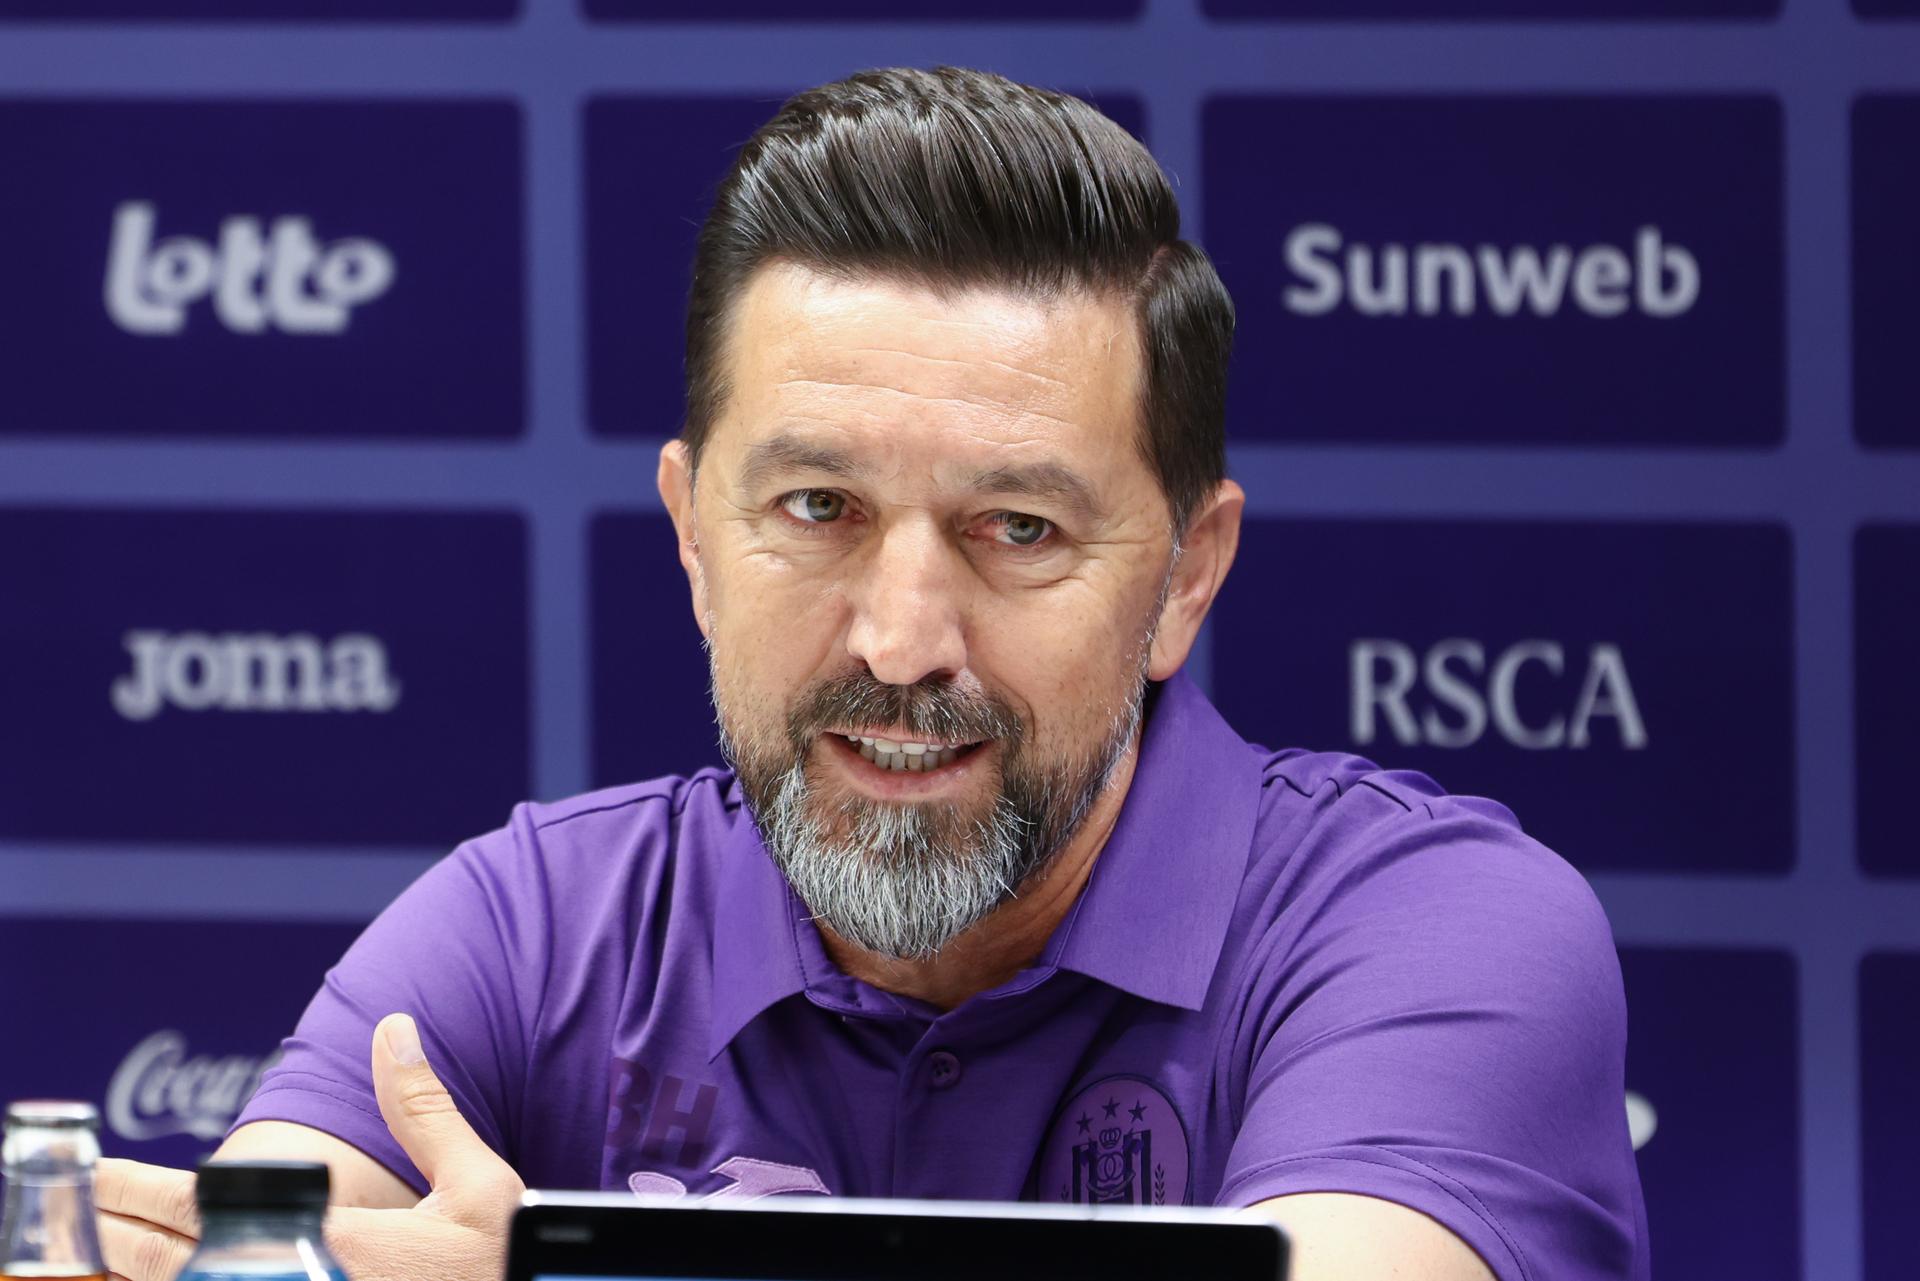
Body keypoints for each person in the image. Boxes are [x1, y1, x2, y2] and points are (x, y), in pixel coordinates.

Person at [93, 67, 1646, 1281]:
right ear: (695, 539)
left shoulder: (1436, 930)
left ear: (1185, 572)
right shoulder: (528, 926)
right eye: (818, 511)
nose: (902, 641)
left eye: (1018, 528)